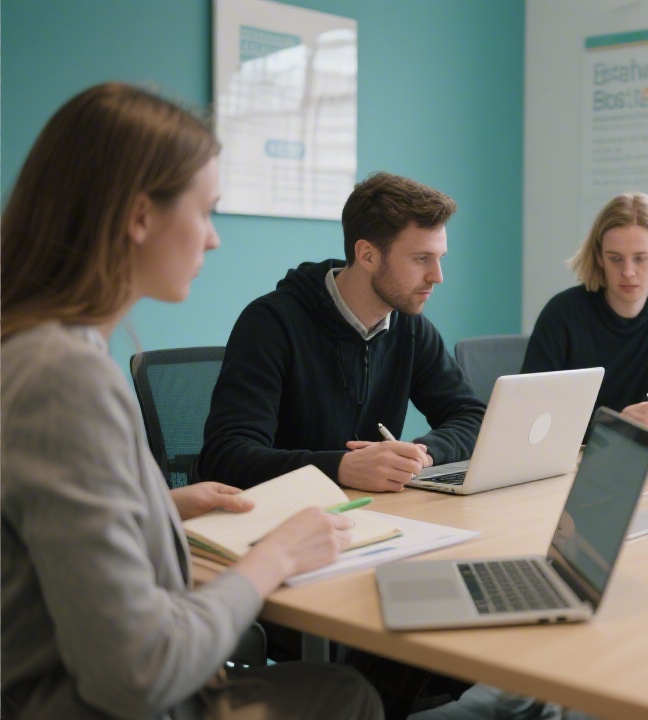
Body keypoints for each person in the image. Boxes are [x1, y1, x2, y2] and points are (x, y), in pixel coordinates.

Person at [0, 82, 380, 719]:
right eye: (205, 212)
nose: (213, 239)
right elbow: (140, 669)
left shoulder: (36, 348)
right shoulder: (62, 378)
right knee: (346, 698)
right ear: (140, 215)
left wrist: (161, 505)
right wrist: (275, 556)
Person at [195, 171, 486, 492]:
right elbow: (226, 457)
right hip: (281, 517)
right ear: (367, 255)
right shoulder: (272, 323)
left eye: (439, 258)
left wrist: (422, 454)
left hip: (370, 513)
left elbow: (472, 416)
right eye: (421, 259)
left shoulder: (410, 327)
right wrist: (340, 468)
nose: (437, 276)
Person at [522, 192, 648, 434]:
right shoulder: (562, 313)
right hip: (570, 455)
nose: (628, 271)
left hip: (641, 451)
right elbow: (534, 412)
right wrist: (614, 422)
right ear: (600, 256)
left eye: (640, 258)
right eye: (615, 259)